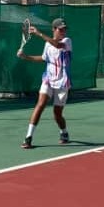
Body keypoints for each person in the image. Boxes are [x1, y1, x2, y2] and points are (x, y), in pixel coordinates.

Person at [16, 17, 72, 149]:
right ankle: (28, 138)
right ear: (54, 29)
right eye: (61, 29)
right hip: (48, 79)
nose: (63, 31)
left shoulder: (67, 41)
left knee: (57, 114)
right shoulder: (47, 45)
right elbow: (43, 58)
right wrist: (26, 57)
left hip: (63, 82)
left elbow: (57, 45)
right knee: (40, 104)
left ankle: (64, 132)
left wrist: (39, 33)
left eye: (64, 29)